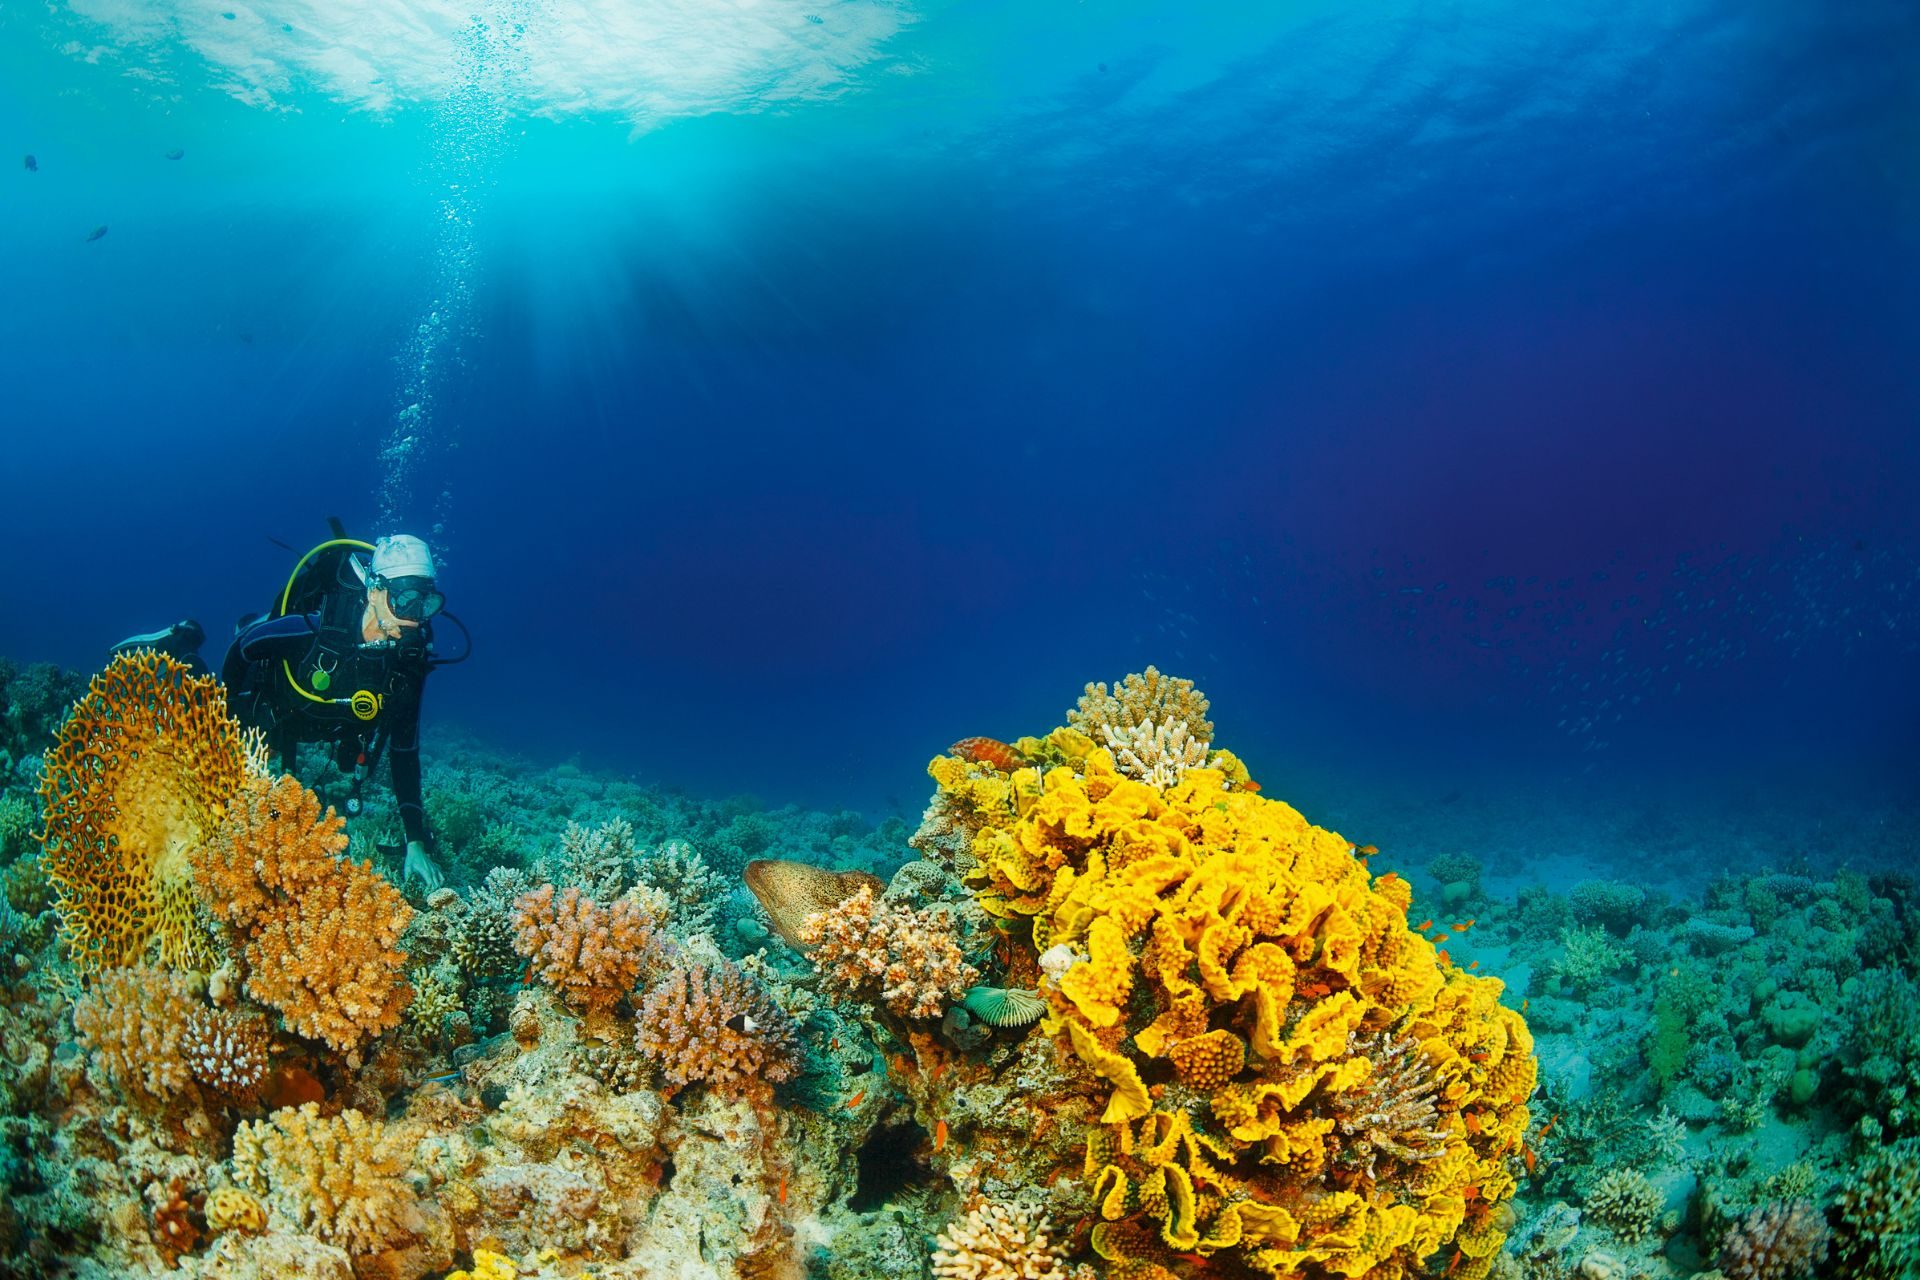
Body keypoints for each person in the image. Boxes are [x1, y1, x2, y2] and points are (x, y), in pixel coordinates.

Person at [112, 530, 453, 891]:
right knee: (201, 702)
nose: (415, 621)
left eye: (426, 605)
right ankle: (182, 642)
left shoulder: (406, 665)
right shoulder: (322, 627)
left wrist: (414, 841)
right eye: (406, 602)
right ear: (375, 591)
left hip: (319, 725)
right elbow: (244, 649)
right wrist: (227, 725)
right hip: (272, 710)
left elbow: (404, 750)